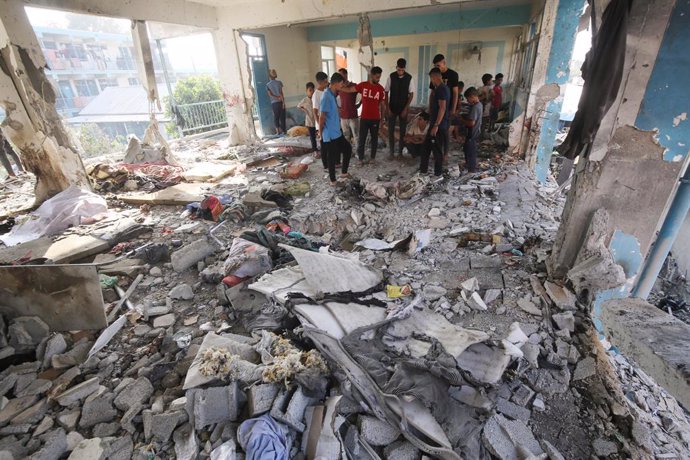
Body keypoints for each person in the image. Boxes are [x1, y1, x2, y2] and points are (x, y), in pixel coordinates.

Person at [340, 66, 386, 165]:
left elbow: (383, 106)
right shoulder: (363, 85)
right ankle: (360, 159)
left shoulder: (380, 89)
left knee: (374, 140)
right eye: (377, 77)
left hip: (375, 119)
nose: (378, 79)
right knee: (362, 139)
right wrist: (339, 87)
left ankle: (372, 158)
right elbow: (350, 90)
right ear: (371, 76)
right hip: (364, 118)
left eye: (379, 77)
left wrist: (382, 120)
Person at [319, 72, 352, 187]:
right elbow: (322, 116)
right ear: (336, 83)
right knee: (331, 157)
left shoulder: (332, 94)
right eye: (342, 84)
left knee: (347, 149)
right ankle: (333, 181)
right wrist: (320, 132)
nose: (342, 86)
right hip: (330, 134)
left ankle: (343, 173)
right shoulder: (326, 96)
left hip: (337, 131)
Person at [420, 68, 449, 177]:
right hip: (435, 123)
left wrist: (436, 125)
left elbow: (442, 108)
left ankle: (438, 174)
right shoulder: (440, 89)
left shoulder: (442, 89)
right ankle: (423, 171)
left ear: (435, 77)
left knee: (436, 151)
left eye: (431, 78)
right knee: (426, 148)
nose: (431, 81)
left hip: (439, 126)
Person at [429, 54, 459, 157]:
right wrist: (430, 108)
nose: (437, 67)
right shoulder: (434, 75)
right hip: (437, 107)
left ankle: (445, 154)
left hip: (447, 109)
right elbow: (432, 93)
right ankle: (437, 153)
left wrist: (453, 109)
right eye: (435, 66)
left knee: (445, 132)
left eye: (438, 65)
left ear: (444, 62)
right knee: (436, 131)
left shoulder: (453, 74)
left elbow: (455, 93)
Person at [385, 58, 415, 158]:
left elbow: (411, 94)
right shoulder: (391, 76)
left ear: (404, 69)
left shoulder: (409, 78)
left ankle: (400, 152)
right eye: (398, 70)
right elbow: (386, 92)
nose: (400, 72)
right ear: (396, 67)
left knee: (403, 131)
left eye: (402, 70)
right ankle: (391, 152)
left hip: (403, 108)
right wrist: (387, 108)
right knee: (390, 130)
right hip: (392, 107)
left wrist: (406, 109)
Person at [459, 87, 482, 174]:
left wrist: (462, 119)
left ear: (472, 96)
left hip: (472, 133)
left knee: (470, 152)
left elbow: (471, 123)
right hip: (475, 132)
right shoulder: (479, 105)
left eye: (468, 99)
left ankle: (471, 170)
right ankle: (468, 165)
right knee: (466, 149)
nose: (468, 101)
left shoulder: (475, 107)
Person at [337, 68, 359, 144]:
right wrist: (337, 107)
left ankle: (358, 153)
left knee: (356, 136)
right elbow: (332, 96)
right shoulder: (339, 87)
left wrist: (360, 104)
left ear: (346, 75)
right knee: (346, 137)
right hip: (343, 117)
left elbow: (363, 93)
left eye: (341, 75)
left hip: (353, 116)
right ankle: (348, 153)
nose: (339, 77)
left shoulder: (353, 85)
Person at [313, 72, 329, 167]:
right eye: (326, 81)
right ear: (320, 82)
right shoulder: (316, 94)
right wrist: (319, 127)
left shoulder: (325, 91)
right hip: (321, 124)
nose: (327, 82)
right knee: (324, 145)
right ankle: (325, 165)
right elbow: (315, 112)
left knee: (328, 144)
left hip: (327, 123)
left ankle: (331, 162)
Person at [298, 82, 318, 153]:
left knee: (319, 135)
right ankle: (314, 150)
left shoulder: (315, 98)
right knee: (312, 137)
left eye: (313, 90)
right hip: (309, 122)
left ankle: (322, 148)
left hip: (317, 121)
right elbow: (298, 106)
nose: (312, 92)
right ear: (306, 91)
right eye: (310, 90)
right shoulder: (305, 100)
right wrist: (304, 110)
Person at [266, 69, 286, 135]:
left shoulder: (268, 85)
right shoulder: (279, 83)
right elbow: (281, 93)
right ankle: (284, 131)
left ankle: (278, 132)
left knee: (276, 117)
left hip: (274, 103)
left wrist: (276, 97)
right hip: (281, 102)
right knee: (282, 117)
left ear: (269, 76)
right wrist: (283, 102)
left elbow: (270, 95)